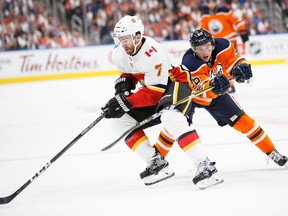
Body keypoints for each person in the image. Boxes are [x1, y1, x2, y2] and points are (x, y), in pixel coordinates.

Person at [101, 15, 223, 189]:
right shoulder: (119, 52)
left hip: (176, 84)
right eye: (120, 39)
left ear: (137, 36)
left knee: (170, 117)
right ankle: (156, 162)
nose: (123, 43)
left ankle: (206, 166)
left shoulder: (153, 51)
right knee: (118, 120)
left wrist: (125, 102)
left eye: (126, 38)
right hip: (154, 89)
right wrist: (125, 82)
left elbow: (154, 94)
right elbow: (132, 71)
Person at [156, 28, 287, 171]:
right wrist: (213, 87)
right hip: (191, 96)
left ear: (212, 43)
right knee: (174, 125)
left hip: (217, 95)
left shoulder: (224, 46)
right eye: (200, 49)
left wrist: (241, 67)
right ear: (194, 49)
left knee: (246, 122)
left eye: (207, 46)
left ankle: (272, 152)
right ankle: (156, 160)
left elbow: (234, 61)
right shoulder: (190, 62)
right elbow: (201, 90)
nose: (205, 51)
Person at [199, 0, 250, 93]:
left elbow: (237, 20)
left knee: (232, 62)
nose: (211, 4)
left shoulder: (224, 10)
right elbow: (203, 29)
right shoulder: (204, 15)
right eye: (209, 2)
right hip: (216, 44)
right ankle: (230, 84)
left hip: (230, 41)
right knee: (220, 66)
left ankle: (243, 73)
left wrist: (242, 31)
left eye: (212, 2)